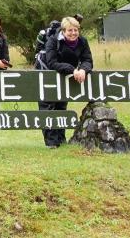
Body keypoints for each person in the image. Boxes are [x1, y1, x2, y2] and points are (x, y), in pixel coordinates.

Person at [39, 16, 93, 148]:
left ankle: (61, 141)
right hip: (47, 76)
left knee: (61, 107)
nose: (73, 33)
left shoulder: (82, 41)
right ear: (63, 30)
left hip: (66, 77)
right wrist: (72, 70)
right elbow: (52, 62)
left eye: (76, 30)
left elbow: (88, 60)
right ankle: (51, 143)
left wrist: (83, 70)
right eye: (70, 30)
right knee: (48, 108)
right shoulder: (53, 41)